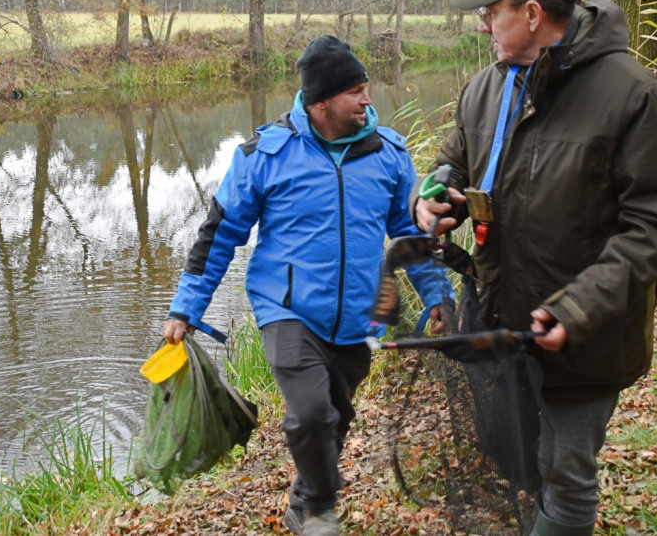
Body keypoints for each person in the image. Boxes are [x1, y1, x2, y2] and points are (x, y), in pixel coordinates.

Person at [412, 0, 657, 536]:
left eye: (493, 10)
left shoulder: (632, 93)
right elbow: (451, 164)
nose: (483, 22)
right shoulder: (485, 87)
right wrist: (431, 198)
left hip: (583, 340)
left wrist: (577, 308)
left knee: (566, 476)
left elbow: (656, 226)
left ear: (533, 14)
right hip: (495, 320)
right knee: (517, 458)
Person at [164, 34, 453, 536]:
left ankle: (302, 498)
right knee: (311, 414)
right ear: (320, 102)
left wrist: (437, 295)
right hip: (288, 308)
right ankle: (320, 514)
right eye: (355, 91)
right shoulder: (264, 154)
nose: (367, 99)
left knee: (337, 416)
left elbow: (410, 234)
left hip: (361, 313)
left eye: (366, 89)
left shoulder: (388, 154)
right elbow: (219, 234)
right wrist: (186, 307)